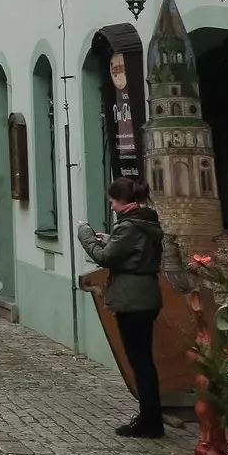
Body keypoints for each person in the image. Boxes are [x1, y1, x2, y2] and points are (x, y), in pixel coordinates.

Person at [78, 176, 166, 438]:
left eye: (113, 202)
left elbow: (104, 257)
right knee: (143, 361)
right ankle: (150, 416)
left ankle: (151, 421)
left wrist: (86, 234)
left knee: (140, 362)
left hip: (133, 300)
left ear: (122, 201)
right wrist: (109, 239)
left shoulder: (129, 227)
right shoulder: (144, 221)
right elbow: (129, 253)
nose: (112, 208)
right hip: (145, 295)